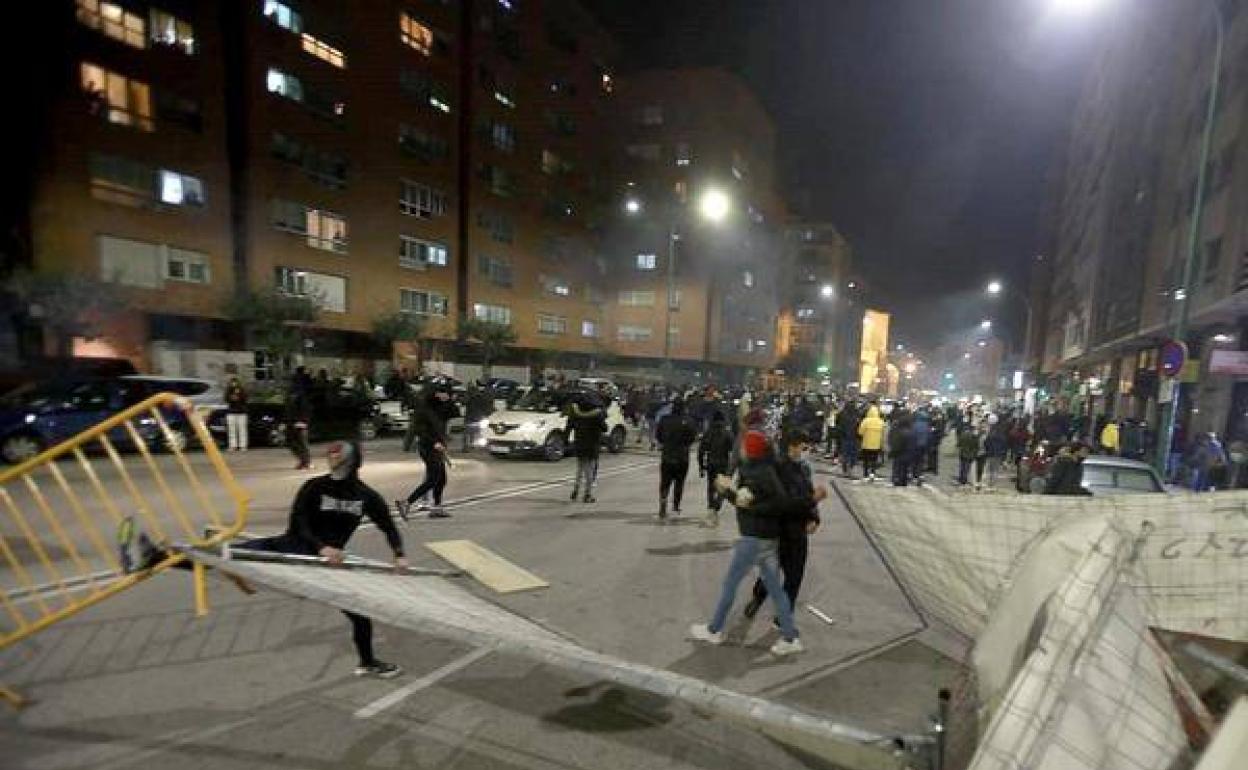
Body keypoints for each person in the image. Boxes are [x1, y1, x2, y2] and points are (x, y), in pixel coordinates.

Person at [239, 441, 407, 678]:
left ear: (352, 460)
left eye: (337, 454)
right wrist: (321, 547)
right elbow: (298, 522)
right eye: (330, 454)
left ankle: (368, 663)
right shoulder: (315, 487)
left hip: (327, 564)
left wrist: (399, 555)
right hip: (292, 548)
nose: (331, 457)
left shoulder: (366, 496)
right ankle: (169, 557)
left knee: (360, 613)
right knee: (218, 554)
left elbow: (388, 526)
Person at [688, 431, 803, 657]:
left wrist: (736, 497)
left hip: (754, 539)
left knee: (730, 584)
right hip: (766, 540)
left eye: (744, 446)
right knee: (775, 590)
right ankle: (790, 637)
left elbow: (764, 504)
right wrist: (732, 494)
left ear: (752, 450)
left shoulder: (760, 472)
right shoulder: (764, 469)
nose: (740, 448)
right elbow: (751, 501)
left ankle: (714, 630)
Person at [744, 431, 824, 621]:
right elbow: (789, 502)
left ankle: (774, 610)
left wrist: (814, 517)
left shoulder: (799, 468)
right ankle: (767, 605)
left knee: (784, 573)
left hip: (789, 531)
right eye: (804, 447)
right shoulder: (780, 471)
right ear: (792, 447)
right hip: (784, 530)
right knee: (781, 574)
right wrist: (812, 502)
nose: (806, 452)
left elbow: (807, 491)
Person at [398, 385, 456, 518]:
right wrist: (434, 442)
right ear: (434, 395)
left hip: (437, 447)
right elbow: (420, 430)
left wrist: (449, 400)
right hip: (428, 447)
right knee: (433, 479)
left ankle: (436, 508)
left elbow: (454, 412)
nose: (444, 395)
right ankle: (406, 503)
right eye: (442, 393)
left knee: (441, 479)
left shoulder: (439, 408)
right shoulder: (424, 409)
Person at [656, 399, 699, 519]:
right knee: (679, 483)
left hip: (667, 455)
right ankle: (675, 505)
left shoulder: (664, 419)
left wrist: (666, 442)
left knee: (665, 481)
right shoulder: (689, 421)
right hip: (682, 456)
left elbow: (658, 436)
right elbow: (693, 437)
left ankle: (663, 500)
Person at [697, 410, 736, 527]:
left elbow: (701, 451)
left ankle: (711, 507)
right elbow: (733, 450)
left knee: (711, 487)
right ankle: (717, 506)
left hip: (711, 463)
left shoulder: (708, 433)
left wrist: (701, 466)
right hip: (723, 464)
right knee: (723, 488)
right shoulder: (727, 433)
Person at [567, 392, 608, 503]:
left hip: (579, 443)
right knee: (590, 470)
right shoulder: (597, 414)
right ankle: (587, 494)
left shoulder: (576, 413)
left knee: (579, 469)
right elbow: (605, 428)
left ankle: (575, 490)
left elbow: (569, 427)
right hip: (592, 444)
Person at [286, 367, 313, 470]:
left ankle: (306, 461)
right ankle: (302, 460)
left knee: (302, 442)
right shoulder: (291, 393)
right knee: (291, 442)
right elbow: (288, 408)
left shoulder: (301, 392)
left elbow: (305, 407)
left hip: (299, 420)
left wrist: (303, 421)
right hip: (291, 420)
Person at [858, 403, 885, 481]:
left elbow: (860, 432)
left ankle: (865, 474)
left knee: (866, 460)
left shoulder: (866, 421)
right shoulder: (881, 422)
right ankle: (872, 473)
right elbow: (883, 434)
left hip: (866, 444)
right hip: (876, 445)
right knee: (874, 460)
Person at [225, 377, 249, 452]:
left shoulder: (242, 390)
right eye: (232, 382)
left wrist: (239, 395)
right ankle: (233, 446)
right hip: (231, 412)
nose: (234, 384)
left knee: (242, 429)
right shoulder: (228, 390)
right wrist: (231, 396)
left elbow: (245, 398)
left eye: (235, 382)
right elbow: (226, 399)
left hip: (241, 412)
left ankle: (243, 446)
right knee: (232, 430)